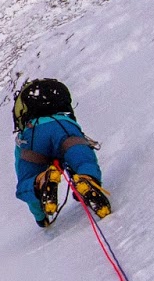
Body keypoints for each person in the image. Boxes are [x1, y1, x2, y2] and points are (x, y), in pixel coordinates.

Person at [12, 78, 112, 228]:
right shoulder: (62, 113)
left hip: (33, 134)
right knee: (83, 161)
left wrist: (41, 218)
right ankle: (87, 180)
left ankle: (42, 180)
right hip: (64, 125)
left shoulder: (23, 132)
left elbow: (24, 175)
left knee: (28, 180)